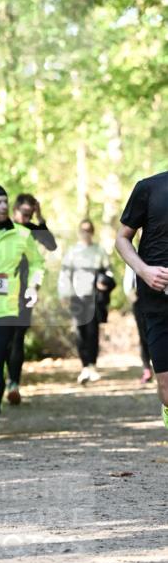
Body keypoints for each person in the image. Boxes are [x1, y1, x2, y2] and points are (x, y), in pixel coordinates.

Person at [0, 186, 45, 442]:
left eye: (5, 201)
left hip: (6, 311)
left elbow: (37, 263)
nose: (3, 206)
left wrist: (33, 285)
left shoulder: (23, 234)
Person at [116, 170, 168, 429]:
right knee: (166, 388)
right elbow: (122, 239)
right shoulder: (150, 187)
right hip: (157, 301)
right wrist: (144, 270)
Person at [5, 193, 57, 404]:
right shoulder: (3, 227)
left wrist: (41, 218)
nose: (26, 218)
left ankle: (13, 384)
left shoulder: (33, 230)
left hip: (25, 291)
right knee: (3, 339)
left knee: (18, 337)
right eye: (24, 213)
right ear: (15, 210)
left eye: (30, 214)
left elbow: (51, 245)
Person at [58, 220, 114, 384]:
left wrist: (104, 281)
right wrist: (64, 294)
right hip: (77, 297)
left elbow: (109, 272)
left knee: (92, 332)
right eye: (83, 230)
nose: (86, 233)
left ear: (92, 232)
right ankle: (84, 367)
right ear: (79, 232)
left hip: (94, 298)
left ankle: (92, 366)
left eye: (89, 230)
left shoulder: (99, 251)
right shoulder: (72, 252)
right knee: (80, 332)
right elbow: (65, 275)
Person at [123, 265, 153, 384]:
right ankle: (147, 369)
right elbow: (128, 282)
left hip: (161, 296)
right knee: (144, 335)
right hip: (140, 298)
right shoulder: (134, 254)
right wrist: (134, 299)